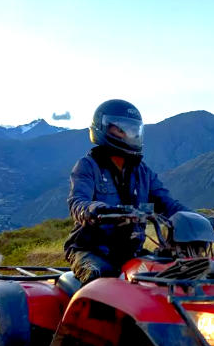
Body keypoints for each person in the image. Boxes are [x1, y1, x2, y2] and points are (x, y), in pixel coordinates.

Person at [64, 99, 189, 283]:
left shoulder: (142, 172)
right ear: (103, 128)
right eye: (120, 129)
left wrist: (199, 220)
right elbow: (77, 202)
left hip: (130, 252)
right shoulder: (88, 166)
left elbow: (168, 205)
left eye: (132, 129)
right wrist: (98, 209)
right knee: (102, 279)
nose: (128, 134)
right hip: (90, 250)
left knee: (165, 272)